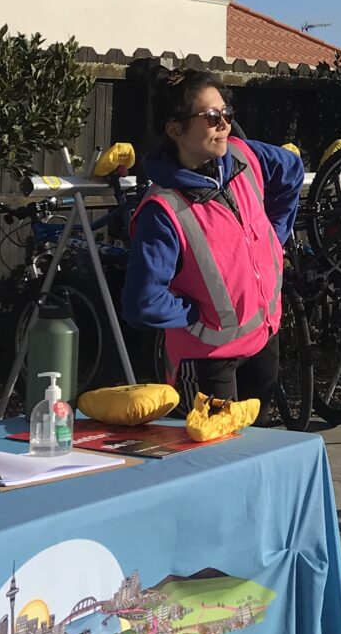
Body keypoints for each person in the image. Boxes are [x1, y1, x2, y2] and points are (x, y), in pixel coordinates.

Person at [121, 69, 303, 406]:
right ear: (175, 129)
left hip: (263, 341)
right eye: (211, 116)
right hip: (208, 361)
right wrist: (194, 313)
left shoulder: (243, 156)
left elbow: (291, 170)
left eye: (226, 113)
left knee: (255, 448)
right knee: (214, 454)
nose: (224, 124)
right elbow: (142, 302)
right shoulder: (163, 209)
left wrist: (274, 238)